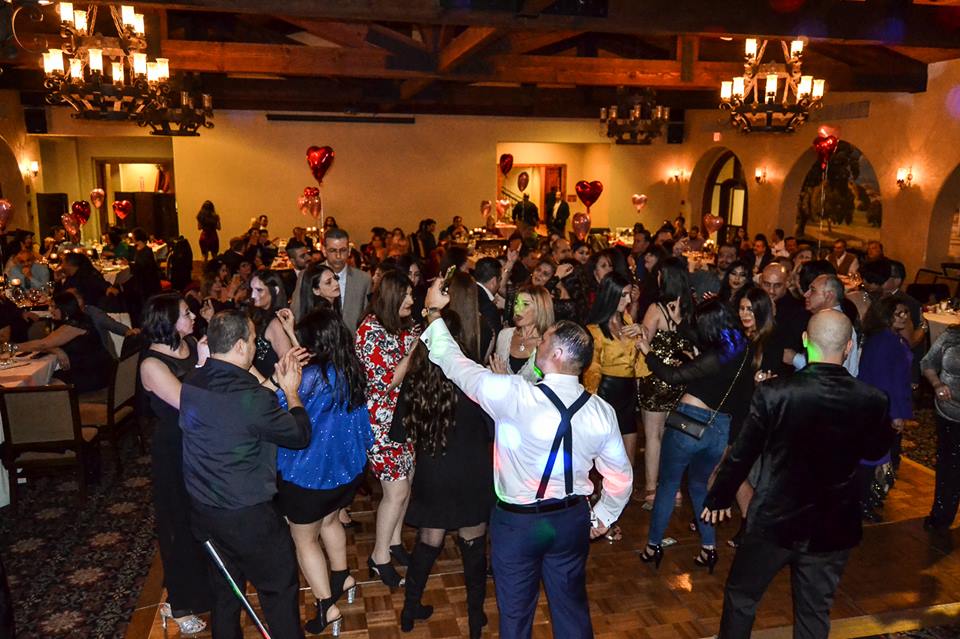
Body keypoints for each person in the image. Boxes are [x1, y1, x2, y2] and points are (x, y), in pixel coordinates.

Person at [418, 277, 633, 639]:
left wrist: (434, 313)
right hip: (571, 520)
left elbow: (455, 365)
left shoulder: (515, 395)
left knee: (516, 617)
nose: (539, 342)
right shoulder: (601, 411)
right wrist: (603, 516)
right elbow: (621, 478)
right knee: (572, 611)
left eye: (545, 340)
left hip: (518, 525)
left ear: (558, 354)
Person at [702, 310, 892, 639]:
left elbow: (743, 453)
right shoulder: (873, 399)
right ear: (849, 347)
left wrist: (718, 496)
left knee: (742, 597)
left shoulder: (775, 393)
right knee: (814, 611)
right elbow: (875, 452)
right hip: (832, 525)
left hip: (774, 521)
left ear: (805, 341)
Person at [180, 310, 311, 639]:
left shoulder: (192, 381)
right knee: (279, 592)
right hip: (247, 516)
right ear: (240, 346)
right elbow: (299, 435)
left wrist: (273, 384)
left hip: (204, 511)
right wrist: (291, 391)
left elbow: (239, 411)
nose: (256, 345)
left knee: (226, 594)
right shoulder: (250, 398)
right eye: (253, 340)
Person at [392, 302, 494, 637]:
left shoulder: (416, 380)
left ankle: (409, 611)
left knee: (428, 542)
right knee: (473, 548)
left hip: (434, 473)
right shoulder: (472, 378)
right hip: (472, 472)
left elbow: (400, 432)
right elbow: (493, 429)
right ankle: (475, 619)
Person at [273, 307, 372, 635]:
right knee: (330, 521)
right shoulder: (350, 368)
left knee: (304, 540)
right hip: (345, 472)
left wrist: (276, 379)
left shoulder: (311, 377)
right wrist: (292, 334)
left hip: (308, 477)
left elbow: (282, 403)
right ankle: (343, 577)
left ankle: (326, 607)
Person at [638, 300, 753, 573]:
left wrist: (647, 351)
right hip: (719, 428)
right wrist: (679, 324)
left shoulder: (716, 356)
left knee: (668, 485)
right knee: (700, 486)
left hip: (688, 424)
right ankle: (708, 549)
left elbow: (672, 375)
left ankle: (653, 546)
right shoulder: (743, 349)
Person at [138, 293, 211, 635]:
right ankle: (178, 603)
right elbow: (188, 403)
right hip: (175, 450)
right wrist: (204, 365)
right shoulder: (152, 364)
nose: (192, 316)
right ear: (167, 321)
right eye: (185, 313)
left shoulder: (191, 343)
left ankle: (204, 589)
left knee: (205, 520)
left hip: (201, 445)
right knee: (178, 524)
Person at [355, 269, 419, 587]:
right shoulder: (370, 331)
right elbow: (386, 381)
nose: (412, 300)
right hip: (379, 422)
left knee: (407, 481)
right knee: (397, 490)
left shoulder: (400, 326)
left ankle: (394, 542)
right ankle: (379, 557)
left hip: (403, 417)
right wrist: (414, 351)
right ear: (392, 296)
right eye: (406, 294)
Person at [636, 257, 694, 511]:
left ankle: (651, 490)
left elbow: (644, 342)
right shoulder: (690, 308)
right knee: (674, 436)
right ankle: (675, 489)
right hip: (681, 379)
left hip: (655, 377)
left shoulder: (656, 308)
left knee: (653, 436)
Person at [857, 296, 913, 521]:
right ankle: (862, 502)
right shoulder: (885, 341)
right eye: (899, 313)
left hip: (879, 406)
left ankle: (869, 497)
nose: (904, 317)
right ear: (886, 315)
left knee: (876, 456)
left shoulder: (889, 338)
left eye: (906, 312)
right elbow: (885, 382)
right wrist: (896, 414)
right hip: (879, 408)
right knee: (871, 457)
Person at [16, 291, 111, 393]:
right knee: (41, 382)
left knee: (44, 389)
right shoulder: (67, 322)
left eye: (54, 307)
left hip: (93, 373)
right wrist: (56, 350)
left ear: (64, 308)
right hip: (81, 369)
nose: (50, 310)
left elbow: (43, 344)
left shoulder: (76, 324)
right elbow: (49, 343)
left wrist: (12, 347)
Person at [922, 325, 960, 531]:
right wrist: (937, 384)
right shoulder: (951, 336)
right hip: (949, 413)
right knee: (949, 466)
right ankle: (941, 516)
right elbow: (927, 362)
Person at [492, 285, 554, 382]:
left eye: (525, 304)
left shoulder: (549, 344)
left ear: (541, 309)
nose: (517, 309)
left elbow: (549, 386)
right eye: (516, 303)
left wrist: (507, 380)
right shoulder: (504, 335)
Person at [324, 228, 371, 332]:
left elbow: (368, 318)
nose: (338, 256)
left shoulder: (363, 280)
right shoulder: (309, 276)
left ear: (349, 251)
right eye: (332, 250)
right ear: (324, 251)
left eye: (343, 250)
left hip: (353, 339)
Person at [247, 271, 293, 378]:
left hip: (272, 385)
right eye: (251, 290)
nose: (253, 295)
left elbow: (287, 365)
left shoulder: (276, 323)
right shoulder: (258, 316)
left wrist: (267, 384)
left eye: (259, 290)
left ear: (275, 290)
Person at [284, 239, 311, 320]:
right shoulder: (287, 282)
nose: (308, 257)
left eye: (308, 254)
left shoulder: (318, 272)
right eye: (303, 256)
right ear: (293, 261)